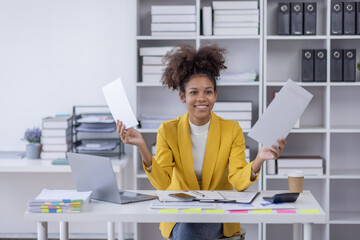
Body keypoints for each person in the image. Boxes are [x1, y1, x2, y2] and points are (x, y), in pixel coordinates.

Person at [116, 44, 286, 240]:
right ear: (182, 96)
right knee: (188, 229)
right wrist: (143, 147)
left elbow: (238, 183)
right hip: (179, 213)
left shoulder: (231, 130)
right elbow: (163, 183)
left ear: (215, 94)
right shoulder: (168, 130)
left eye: (208, 92)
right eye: (194, 92)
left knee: (189, 233)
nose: (201, 98)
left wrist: (259, 159)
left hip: (218, 213)